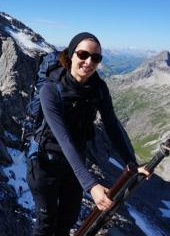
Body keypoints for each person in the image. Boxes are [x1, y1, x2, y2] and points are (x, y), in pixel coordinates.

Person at [26, 32, 149, 236]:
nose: (89, 62)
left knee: (67, 220)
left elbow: (112, 126)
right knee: (46, 224)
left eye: (96, 58)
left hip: (74, 164)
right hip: (44, 164)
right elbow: (63, 139)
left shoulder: (98, 88)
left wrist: (132, 163)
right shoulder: (50, 89)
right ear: (71, 55)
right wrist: (91, 185)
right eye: (83, 54)